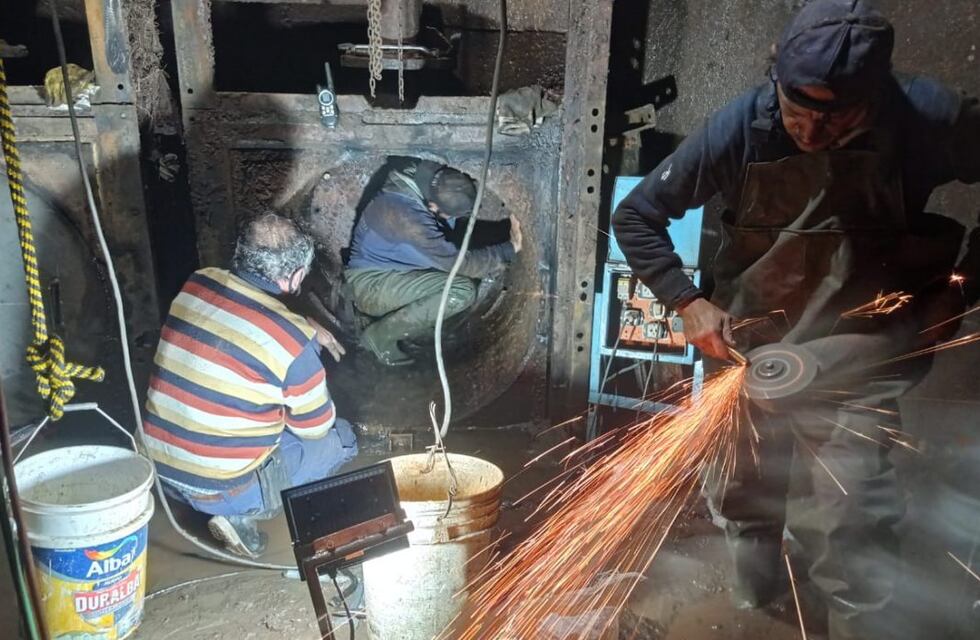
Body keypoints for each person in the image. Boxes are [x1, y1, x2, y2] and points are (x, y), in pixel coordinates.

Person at [612, 1, 980, 638]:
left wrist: (961, 287)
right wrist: (688, 301)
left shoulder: (928, 117)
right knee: (741, 496)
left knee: (851, 516)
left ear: (878, 95)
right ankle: (761, 614)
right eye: (796, 109)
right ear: (775, 73)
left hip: (861, 352)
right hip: (753, 352)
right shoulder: (741, 127)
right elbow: (636, 217)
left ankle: (858, 625)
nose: (810, 131)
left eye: (836, 117)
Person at [143, 213, 358, 558]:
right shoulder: (293, 346)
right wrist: (303, 339)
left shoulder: (198, 283)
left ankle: (209, 504)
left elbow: (243, 316)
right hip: (222, 489)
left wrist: (302, 323)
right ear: (297, 276)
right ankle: (238, 515)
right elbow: (315, 429)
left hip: (159, 473)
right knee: (341, 438)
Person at [345, 158, 523, 365]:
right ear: (432, 205)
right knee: (461, 291)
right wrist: (510, 248)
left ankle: (416, 313)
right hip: (370, 286)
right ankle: (378, 337)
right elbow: (461, 265)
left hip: (387, 269)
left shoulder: (422, 177)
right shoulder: (407, 220)